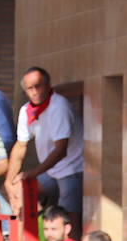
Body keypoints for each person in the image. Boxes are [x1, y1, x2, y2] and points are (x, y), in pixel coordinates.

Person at [7, 66, 82, 221]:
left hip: (72, 167)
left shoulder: (58, 107)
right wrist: (9, 181)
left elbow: (61, 150)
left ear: (48, 86)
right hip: (50, 170)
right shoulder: (26, 110)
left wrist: (34, 172)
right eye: (30, 88)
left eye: (38, 86)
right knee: (20, 191)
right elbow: (20, 146)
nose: (35, 92)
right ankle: (32, 239)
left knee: (67, 216)